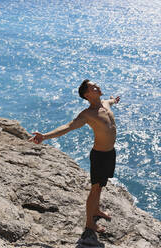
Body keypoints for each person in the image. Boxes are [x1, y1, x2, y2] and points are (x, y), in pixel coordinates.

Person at [29, 79, 120, 233]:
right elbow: (68, 127)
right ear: (87, 95)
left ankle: (96, 210)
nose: (97, 87)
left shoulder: (105, 103)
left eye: (96, 85)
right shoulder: (87, 114)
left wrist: (114, 100)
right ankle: (90, 223)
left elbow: (111, 101)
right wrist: (44, 136)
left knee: (100, 186)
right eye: (93, 87)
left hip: (110, 153)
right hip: (99, 156)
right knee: (95, 188)